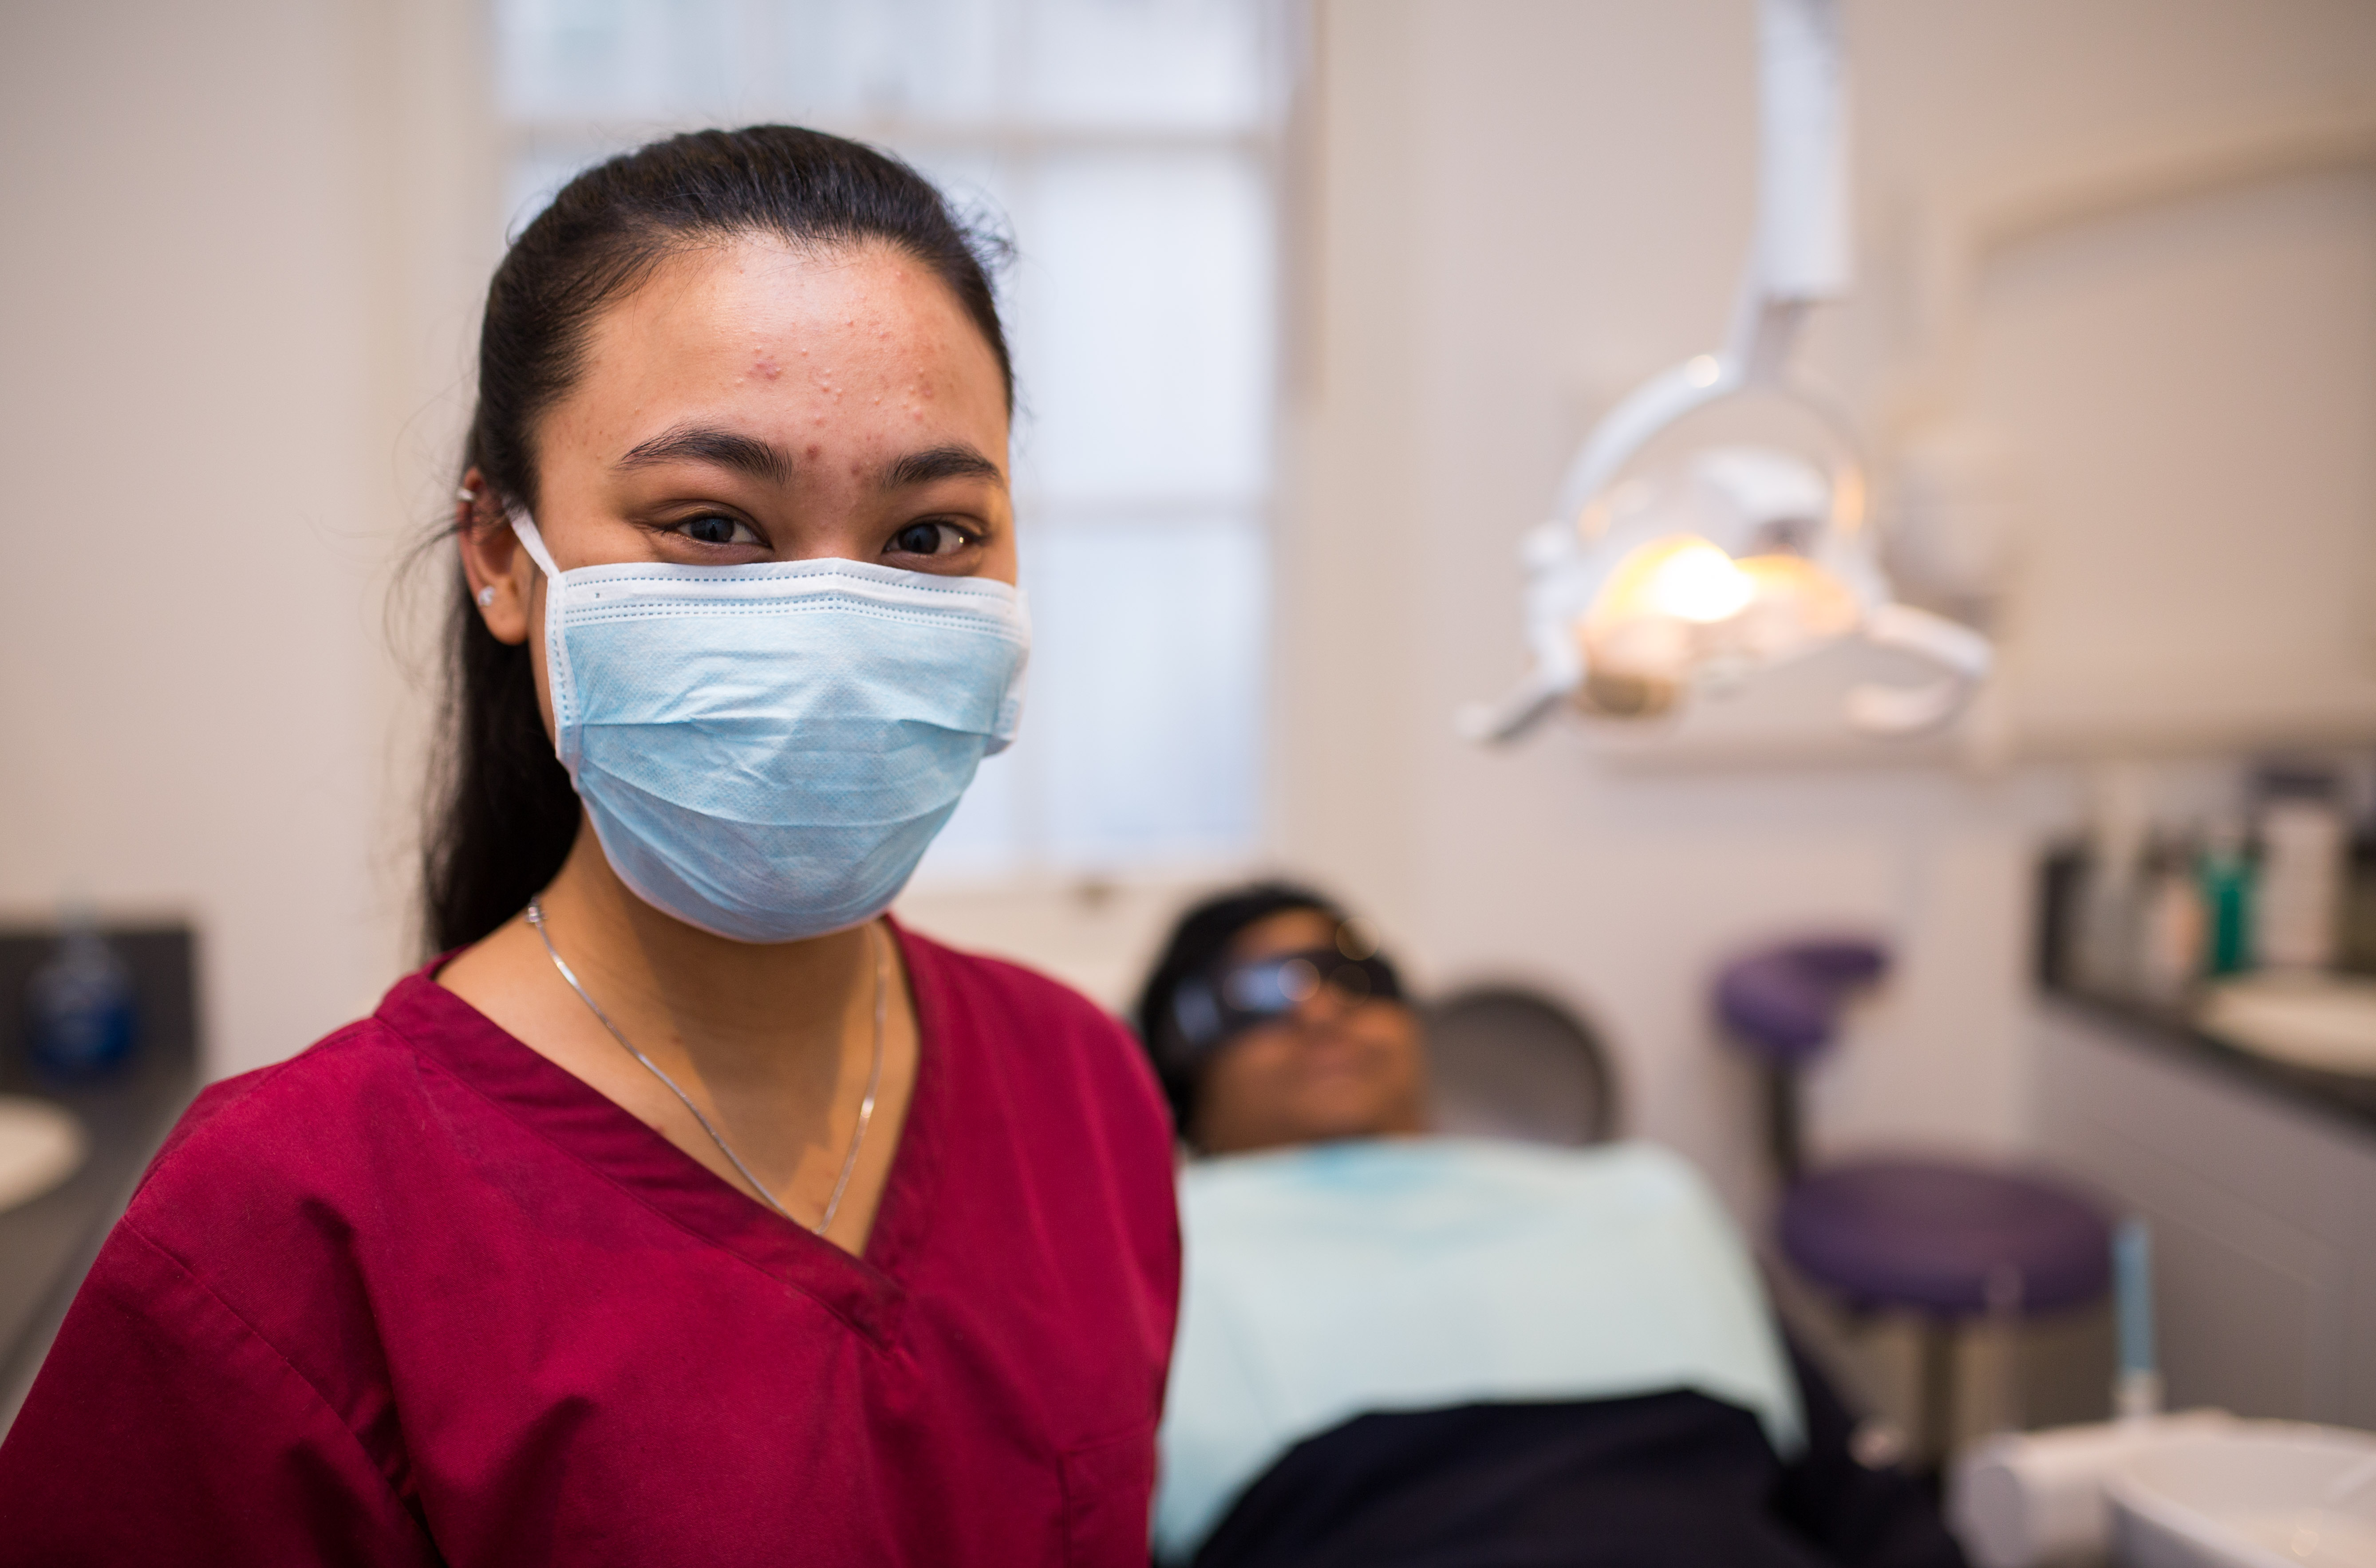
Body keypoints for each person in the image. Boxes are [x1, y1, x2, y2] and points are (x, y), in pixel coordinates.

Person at [0, 128, 1178, 1566]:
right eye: (710, 522)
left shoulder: (1082, 1091)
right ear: (500, 553)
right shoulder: (282, 1231)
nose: (828, 631)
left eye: (929, 535)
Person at [1134, 882, 1966, 1568]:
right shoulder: (1161, 1253)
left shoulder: (1636, 1199)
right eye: (1253, 999)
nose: (1319, 1012)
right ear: (1182, 1080)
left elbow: (1862, 1496)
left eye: (1352, 976)